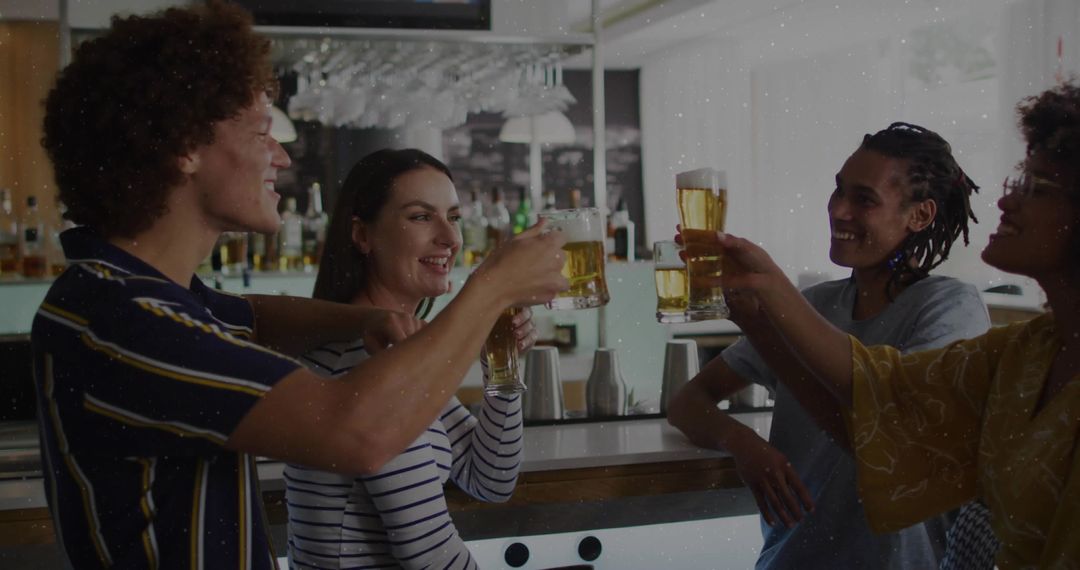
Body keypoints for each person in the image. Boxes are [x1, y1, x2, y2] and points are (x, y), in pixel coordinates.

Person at [35, 3, 566, 567]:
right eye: (262, 132)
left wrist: (369, 319)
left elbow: (254, 316)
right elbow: (356, 434)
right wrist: (491, 288)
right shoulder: (125, 318)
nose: (283, 156)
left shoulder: (141, 295)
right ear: (186, 145)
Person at [700, 79, 1080, 568]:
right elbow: (883, 411)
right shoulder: (1025, 354)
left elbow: (883, 413)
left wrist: (775, 294)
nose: (1006, 202)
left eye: (1036, 187)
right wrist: (764, 321)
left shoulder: (949, 307)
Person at [668, 122, 990, 569]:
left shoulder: (949, 307)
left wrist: (771, 299)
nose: (838, 210)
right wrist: (742, 443)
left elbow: (890, 437)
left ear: (919, 216)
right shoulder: (815, 303)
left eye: (864, 199)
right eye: (838, 190)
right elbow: (687, 401)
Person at [284, 149, 529, 569]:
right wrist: (490, 291)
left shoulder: (396, 351)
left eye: (453, 217)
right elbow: (429, 554)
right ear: (362, 235)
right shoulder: (364, 359)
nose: (450, 238)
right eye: (420, 216)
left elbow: (489, 479)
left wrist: (500, 362)